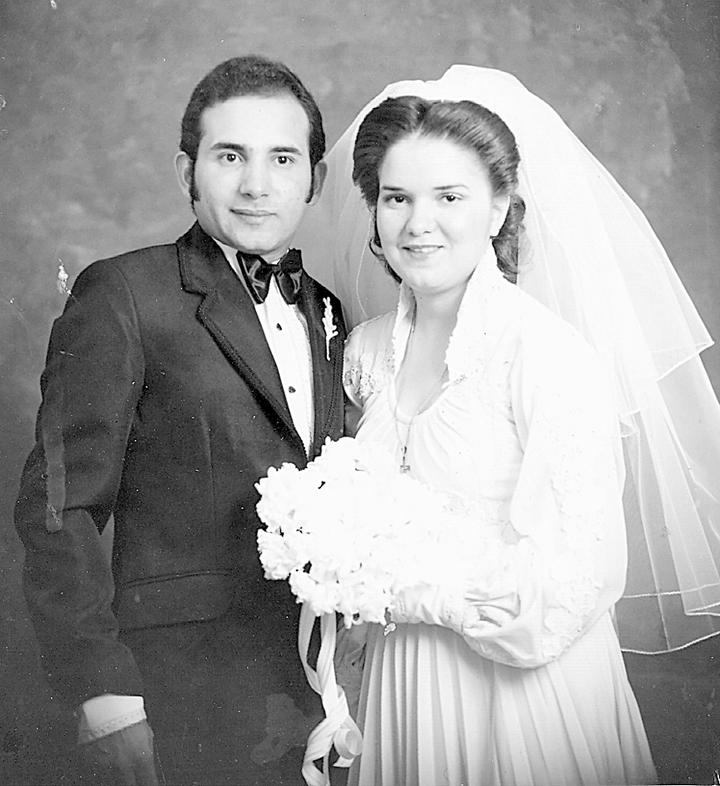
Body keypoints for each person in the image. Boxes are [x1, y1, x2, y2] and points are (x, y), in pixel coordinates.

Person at [293, 65, 720, 784]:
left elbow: (581, 575)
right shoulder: (363, 352)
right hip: (404, 688)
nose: (417, 223)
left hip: (521, 695)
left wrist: (406, 593)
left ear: (497, 210)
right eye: (396, 198)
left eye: (449, 197)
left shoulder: (545, 353)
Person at [15, 55, 346, 786]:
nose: (257, 184)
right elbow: (57, 505)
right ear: (185, 171)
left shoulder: (330, 311)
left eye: (282, 159)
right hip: (183, 692)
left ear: (315, 181)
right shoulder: (124, 294)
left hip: (323, 688)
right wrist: (100, 688)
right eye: (230, 156)